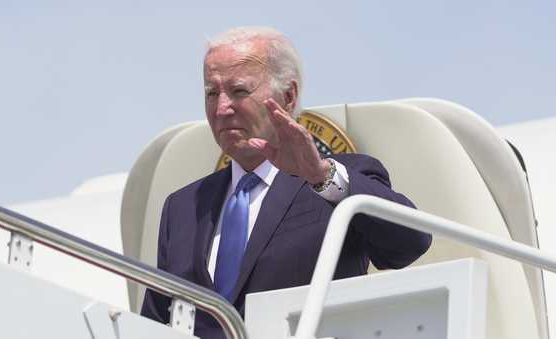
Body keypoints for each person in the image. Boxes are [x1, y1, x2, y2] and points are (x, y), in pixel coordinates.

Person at [141, 26, 432, 339]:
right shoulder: (183, 206)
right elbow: (154, 322)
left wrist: (320, 176)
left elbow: (410, 242)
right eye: (212, 93)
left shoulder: (338, 181)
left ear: (289, 96)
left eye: (239, 91)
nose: (221, 107)